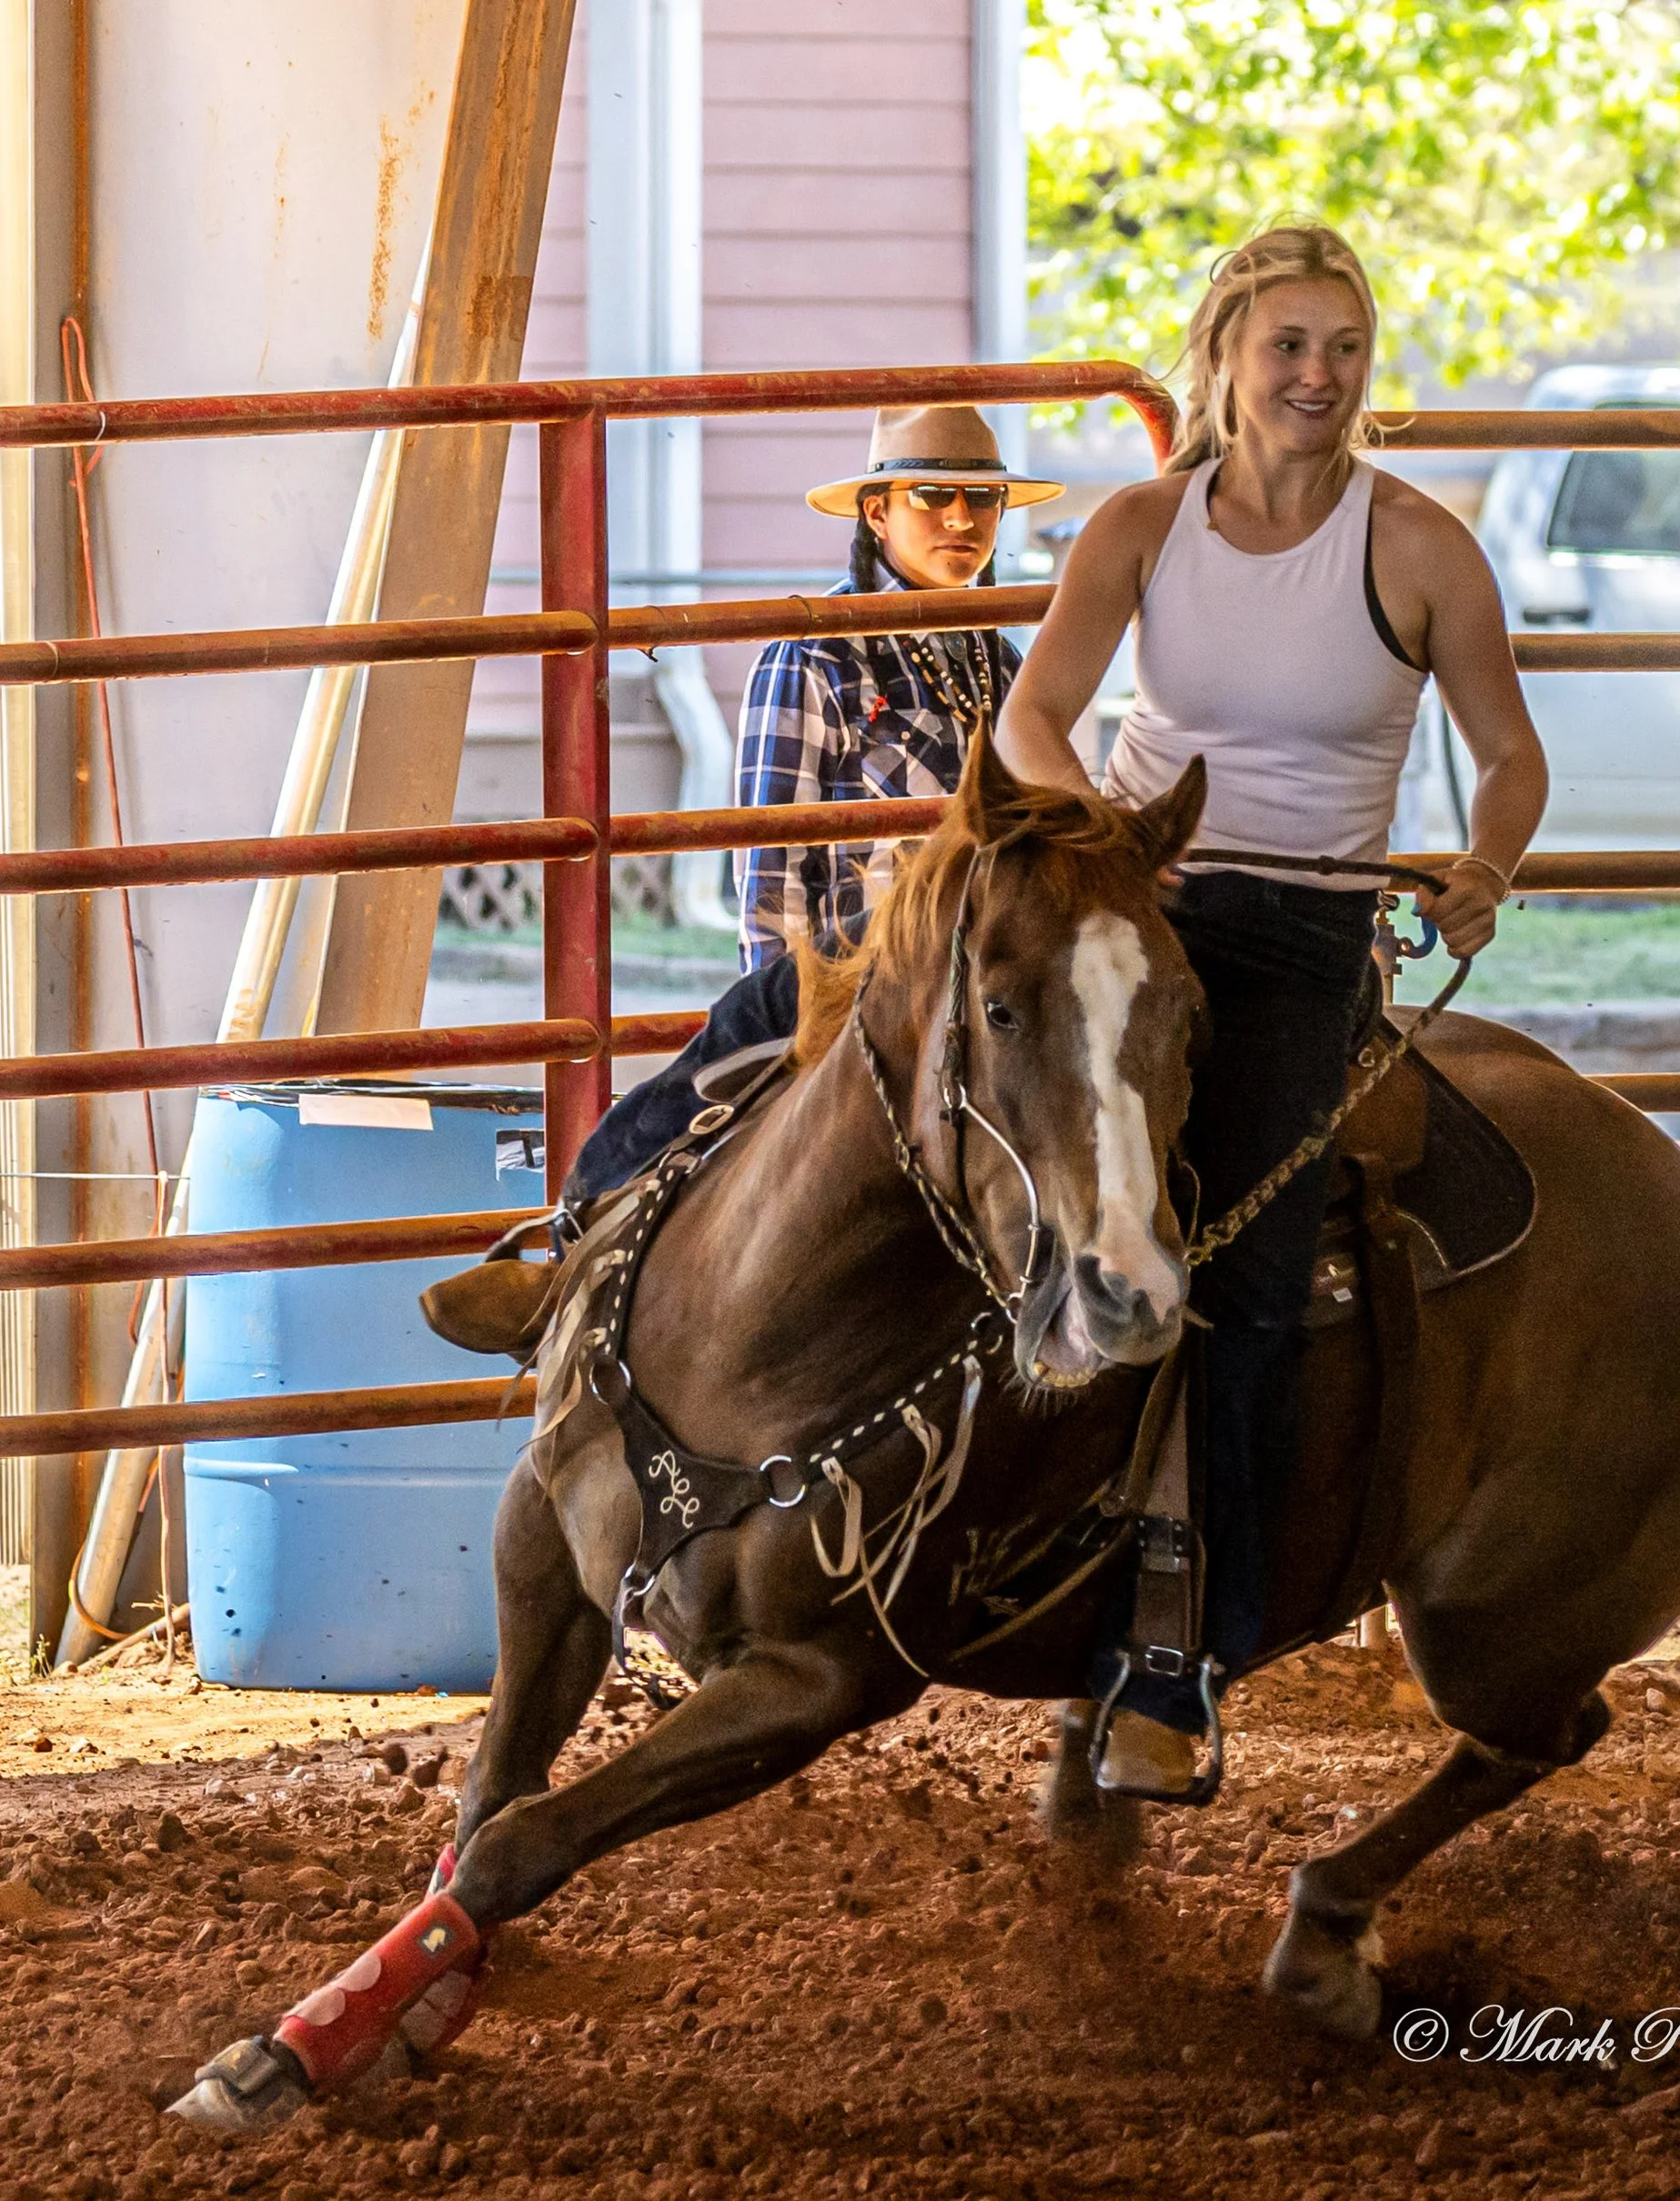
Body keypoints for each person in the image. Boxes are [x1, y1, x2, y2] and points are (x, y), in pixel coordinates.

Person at [993, 226, 1549, 1791]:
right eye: (1289, 346)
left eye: (1344, 348)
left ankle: (1187, 1654)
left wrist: (1484, 869)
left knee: (1244, 1267)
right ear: (1227, 358)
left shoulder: (1420, 546)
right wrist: (1099, 841)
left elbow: (1510, 756)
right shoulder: (1141, 525)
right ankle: (603, 1240)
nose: (1319, 376)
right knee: (899, 1052)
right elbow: (1037, 716)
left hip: (1304, 930)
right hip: (1129, 904)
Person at [557, 406, 1063, 1205]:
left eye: (983, 498)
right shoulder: (814, 656)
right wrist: (791, 1027)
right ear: (877, 513)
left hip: (976, 993)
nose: (962, 519)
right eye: (932, 495)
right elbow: (773, 871)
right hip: (863, 993)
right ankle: (591, 1220)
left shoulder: (998, 659)